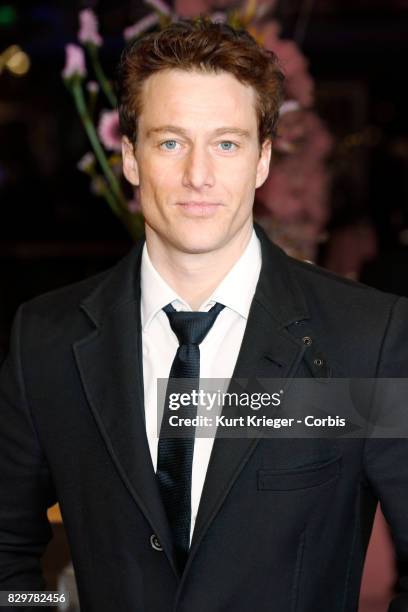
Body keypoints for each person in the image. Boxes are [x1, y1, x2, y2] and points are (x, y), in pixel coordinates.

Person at [0, 18, 408, 612]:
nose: (198, 175)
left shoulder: (367, 337)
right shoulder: (46, 338)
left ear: (263, 160)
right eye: (170, 142)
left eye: (226, 143)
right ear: (131, 158)